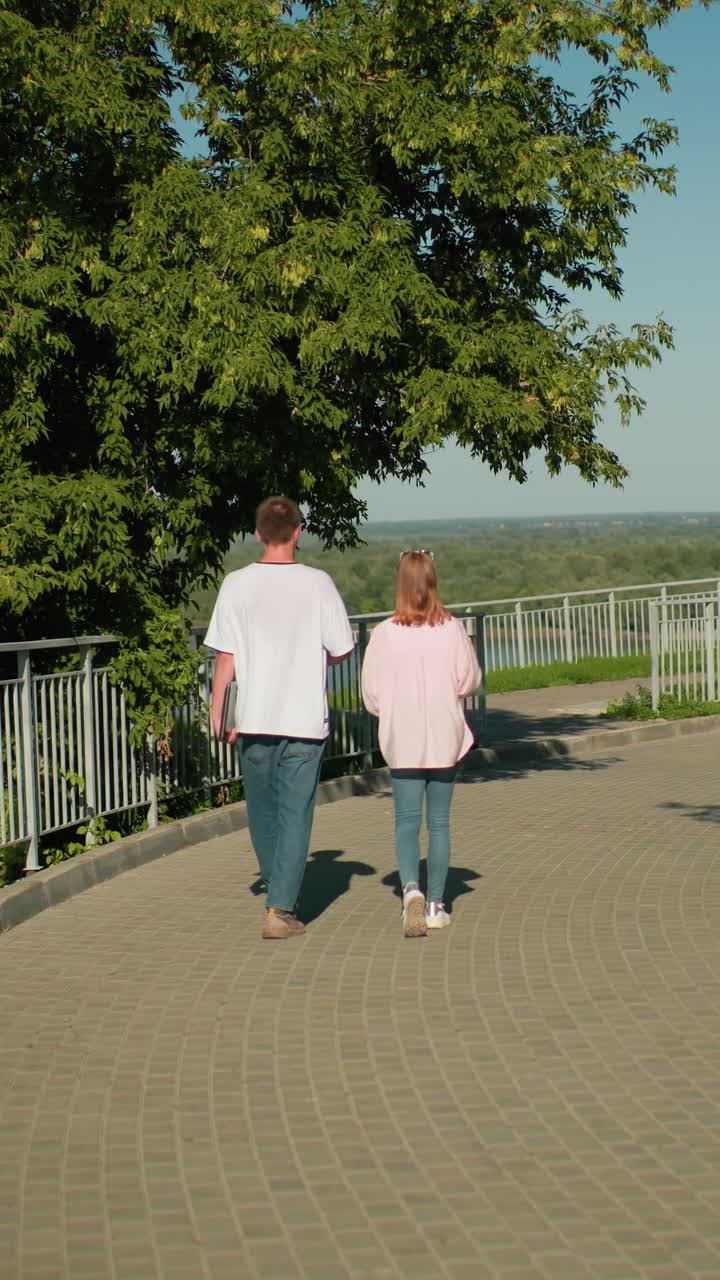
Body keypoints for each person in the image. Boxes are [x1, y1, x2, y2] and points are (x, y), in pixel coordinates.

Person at [205, 496, 354, 939]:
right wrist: (310, 658)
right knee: (295, 814)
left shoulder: (236, 584)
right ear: (297, 532)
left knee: (262, 812)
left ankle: (278, 888)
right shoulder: (318, 584)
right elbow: (341, 649)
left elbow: (225, 656)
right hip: (304, 721)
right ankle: (280, 907)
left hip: (253, 717)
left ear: (257, 533)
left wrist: (217, 710)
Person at [361, 550, 481, 937]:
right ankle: (436, 904)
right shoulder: (452, 629)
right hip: (444, 736)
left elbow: (371, 694)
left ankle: (411, 889)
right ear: (432, 581)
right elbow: (469, 680)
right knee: (439, 823)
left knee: (407, 822)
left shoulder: (384, 633)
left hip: (403, 737)